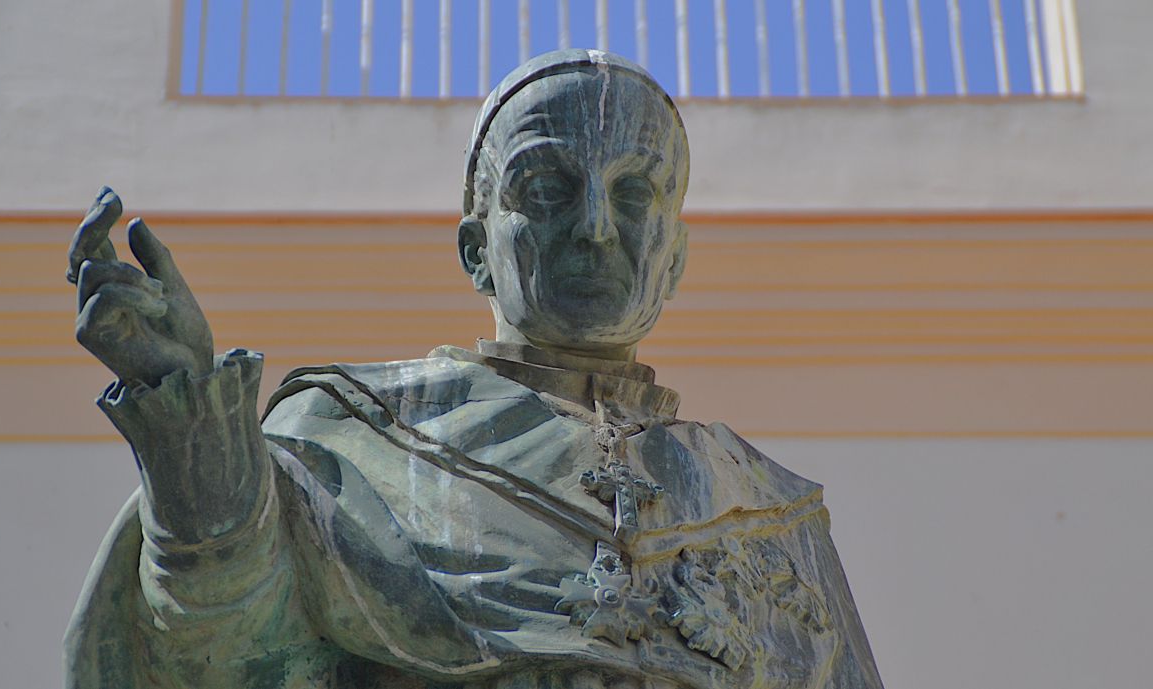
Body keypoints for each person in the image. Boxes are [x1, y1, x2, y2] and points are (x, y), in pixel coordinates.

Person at [64, 51, 882, 689]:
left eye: (635, 193)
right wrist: (192, 417)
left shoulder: (771, 512)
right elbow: (218, 648)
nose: (596, 227)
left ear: (674, 259)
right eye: (548, 187)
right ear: (475, 250)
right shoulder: (347, 439)